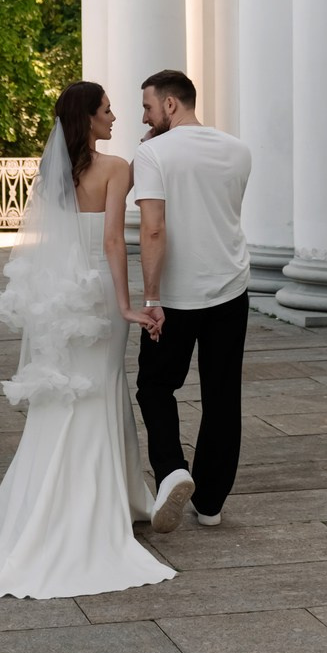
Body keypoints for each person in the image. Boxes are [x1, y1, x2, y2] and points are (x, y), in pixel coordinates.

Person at [0, 82, 174, 600]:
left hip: (61, 291)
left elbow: (56, 236)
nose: (114, 118)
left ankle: (65, 504)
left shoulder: (53, 171)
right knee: (102, 387)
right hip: (100, 288)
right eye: (107, 111)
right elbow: (112, 240)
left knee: (66, 390)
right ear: (87, 118)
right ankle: (105, 504)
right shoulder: (116, 168)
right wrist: (130, 304)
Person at [133, 69, 253, 532]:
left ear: (168, 105)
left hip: (176, 297)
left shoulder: (152, 153)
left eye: (147, 106)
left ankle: (172, 471)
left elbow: (154, 228)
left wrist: (151, 297)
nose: (143, 115)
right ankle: (211, 503)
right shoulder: (238, 150)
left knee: (155, 387)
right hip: (230, 288)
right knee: (223, 395)